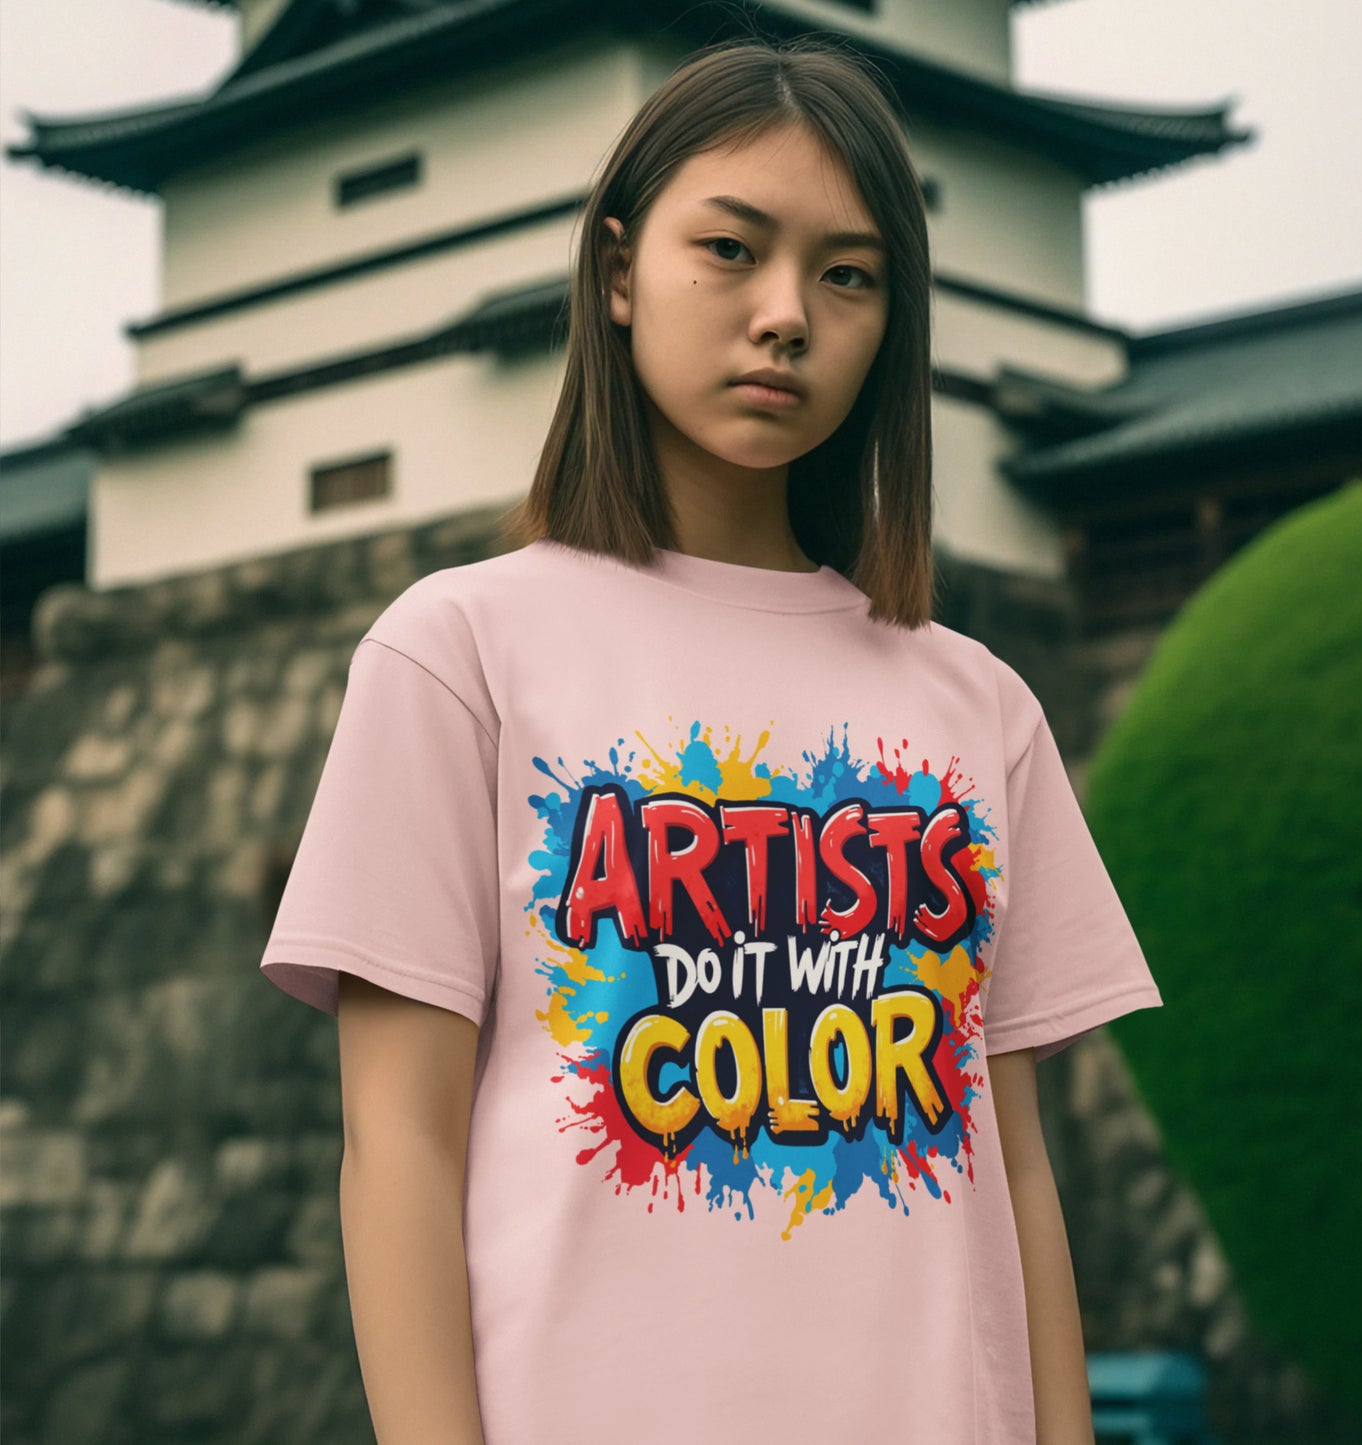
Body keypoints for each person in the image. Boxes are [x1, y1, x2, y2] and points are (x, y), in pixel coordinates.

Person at [260, 33, 1163, 1445]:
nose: (785, 316)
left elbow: (1019, 1171)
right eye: (731, 250)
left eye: (848, 275)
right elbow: (397, 1144)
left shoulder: (979, 707)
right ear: (619, 271)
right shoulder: (461, 653)